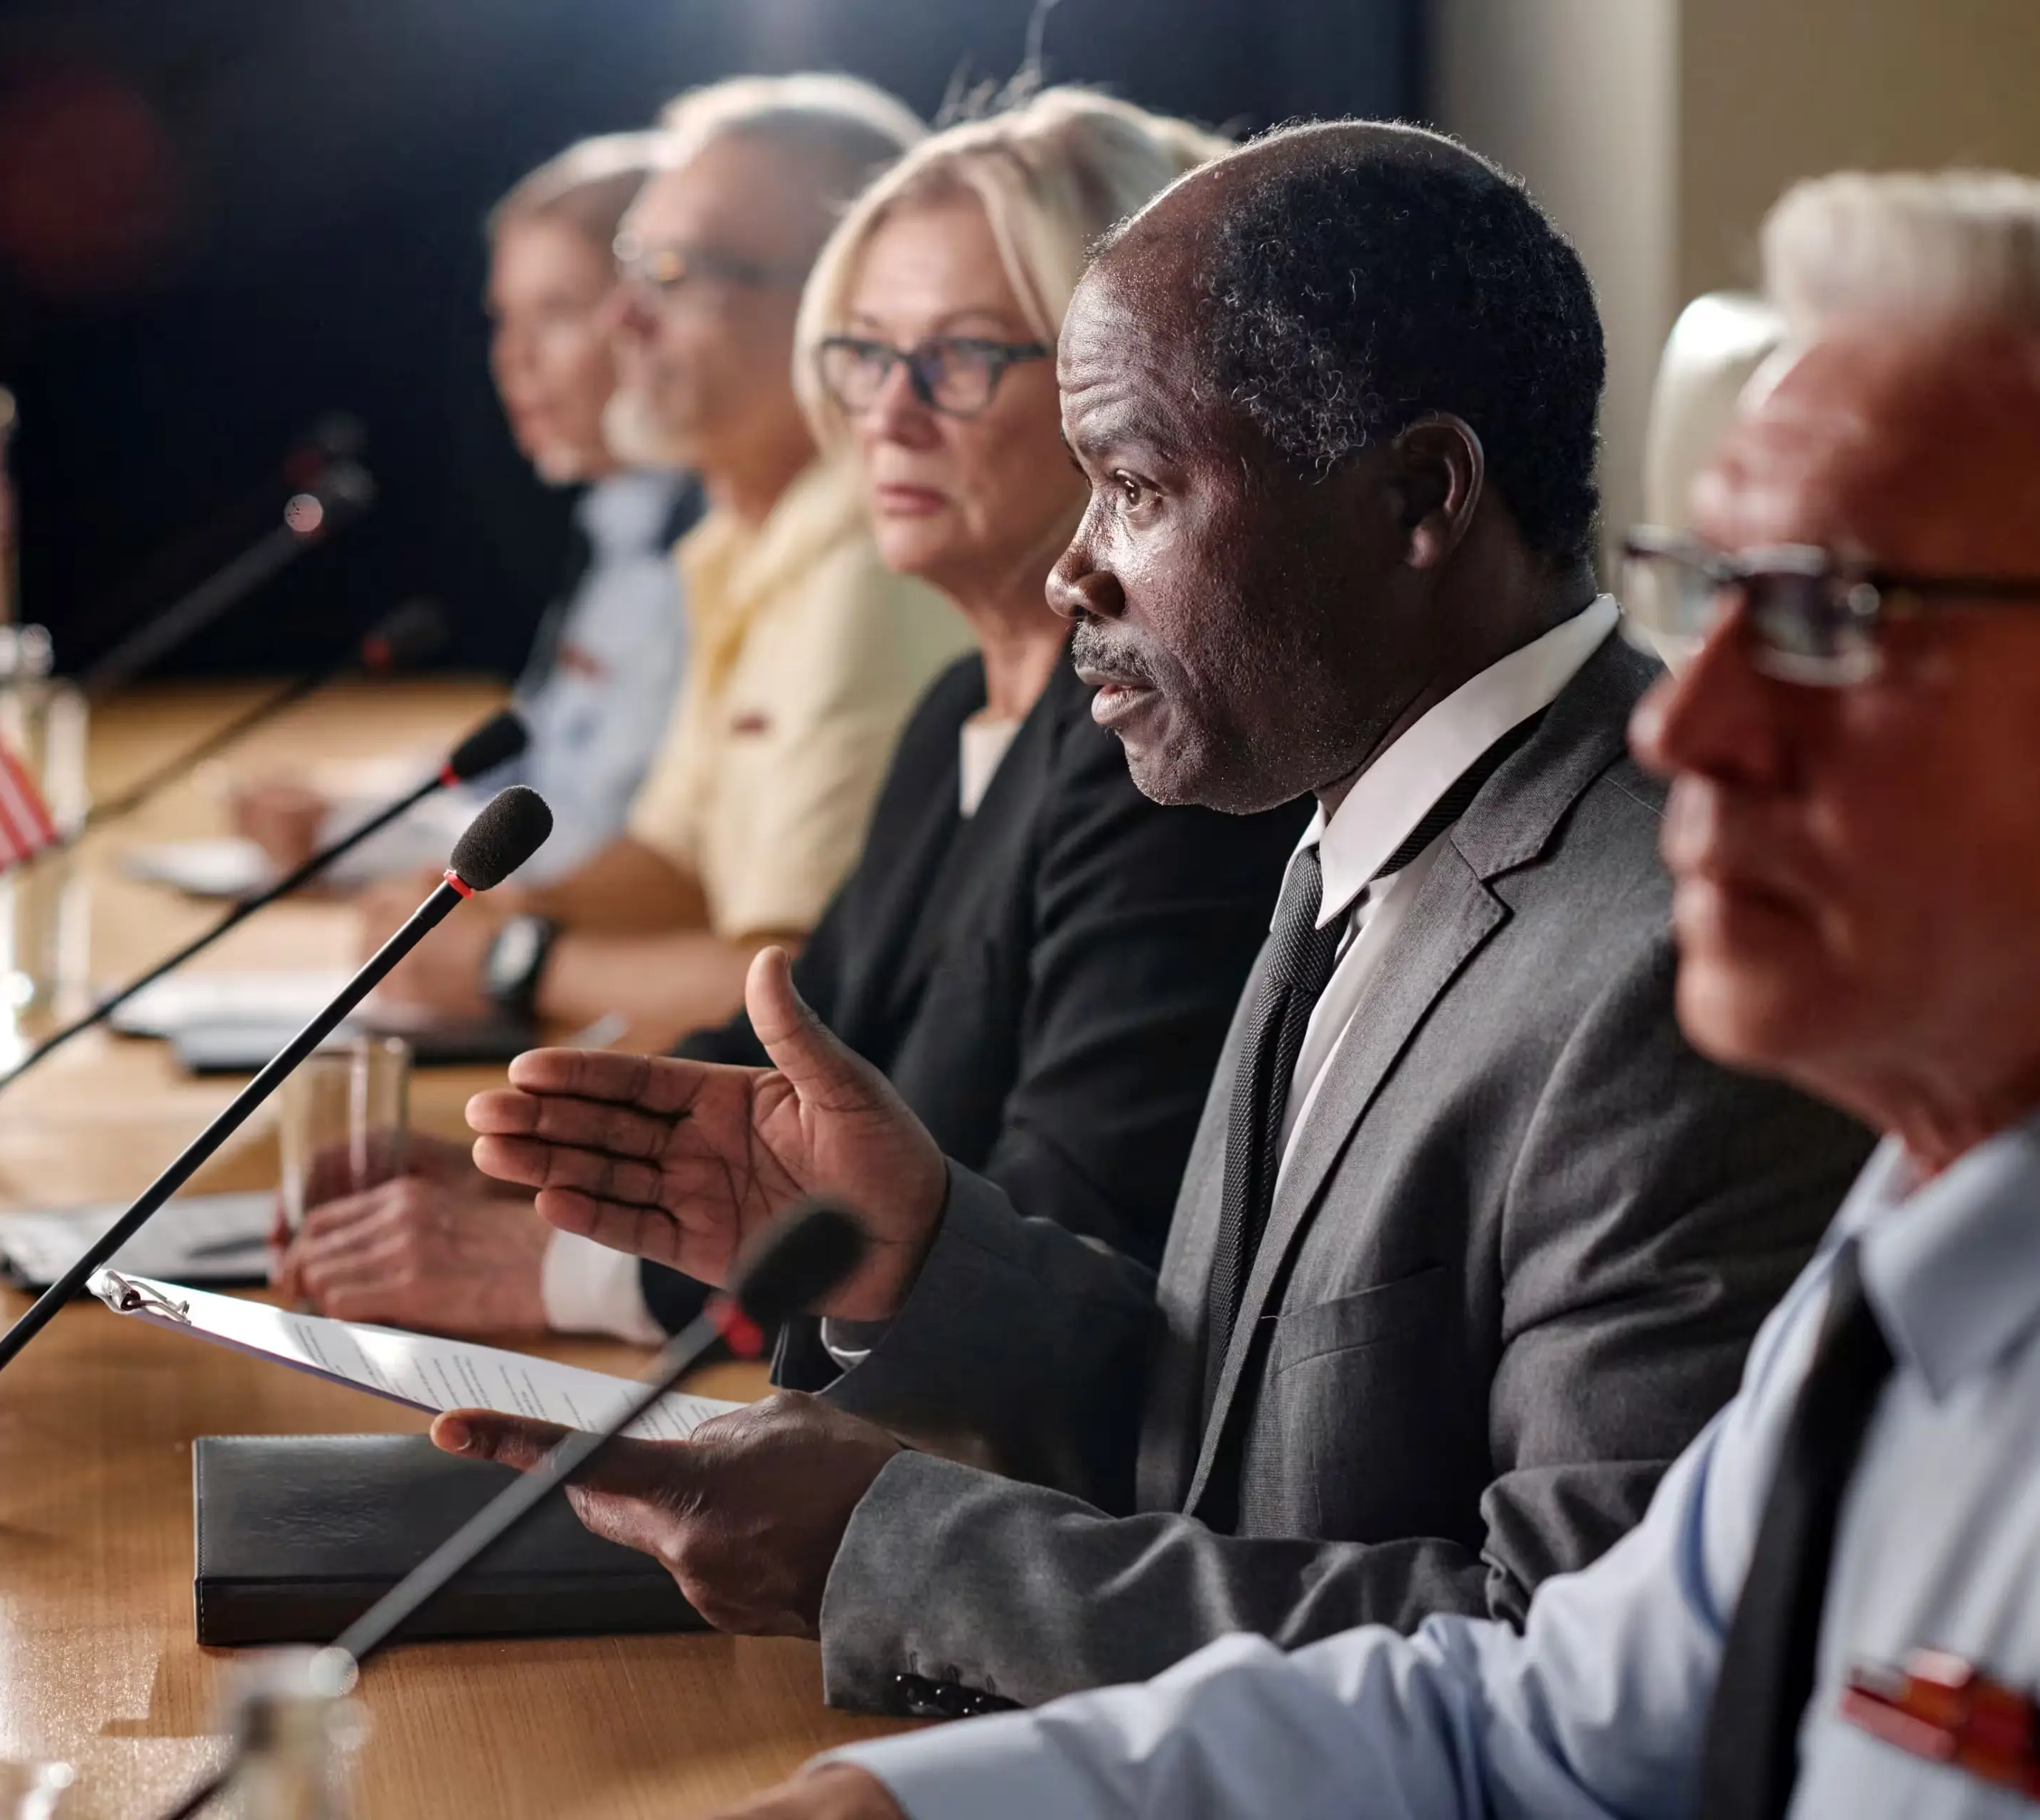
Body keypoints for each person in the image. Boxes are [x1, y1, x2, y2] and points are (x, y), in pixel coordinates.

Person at [710, 165, 2040, 1819]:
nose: (1683, 720)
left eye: (1826, 613)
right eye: (1712, 591)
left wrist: (906, 1555)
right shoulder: (1930, 1222)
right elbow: (1545, 1719)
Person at [443, 122, 1873, 1715]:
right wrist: (920, 1264)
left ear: (1419, 494)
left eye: (1131, 485)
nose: (1073, 570)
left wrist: (897, 1552)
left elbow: (1574, 1662)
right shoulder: (1347, 807)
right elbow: (1236, 1441)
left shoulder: (1675, 963)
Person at [273, 90, 1310, 1346]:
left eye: (965, 355)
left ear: (1119, 394)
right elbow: (800, 1039)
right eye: (866, 354)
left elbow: (1048, 1245)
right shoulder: (959, 715)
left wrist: (560, 1276)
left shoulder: (1163, 761)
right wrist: (551, 1177)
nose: (889, 413)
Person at [362, 75, 972, 1042]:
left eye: (675, 275)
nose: (622, 322)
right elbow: (676, 866)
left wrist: (514, 958)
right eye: (631, 269)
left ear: (845, 305)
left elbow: (803, 994)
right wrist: (468, 909)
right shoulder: (741, 536)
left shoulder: (875, 561)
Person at [231, 132, 697, 889]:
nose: (511, 359)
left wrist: (346, 834)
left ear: (648, 317)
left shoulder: (702, 546)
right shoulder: (620, 525)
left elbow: (613, 850)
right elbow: (533, 762)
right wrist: (359, 801)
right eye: (503, 318)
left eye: (556, 312)